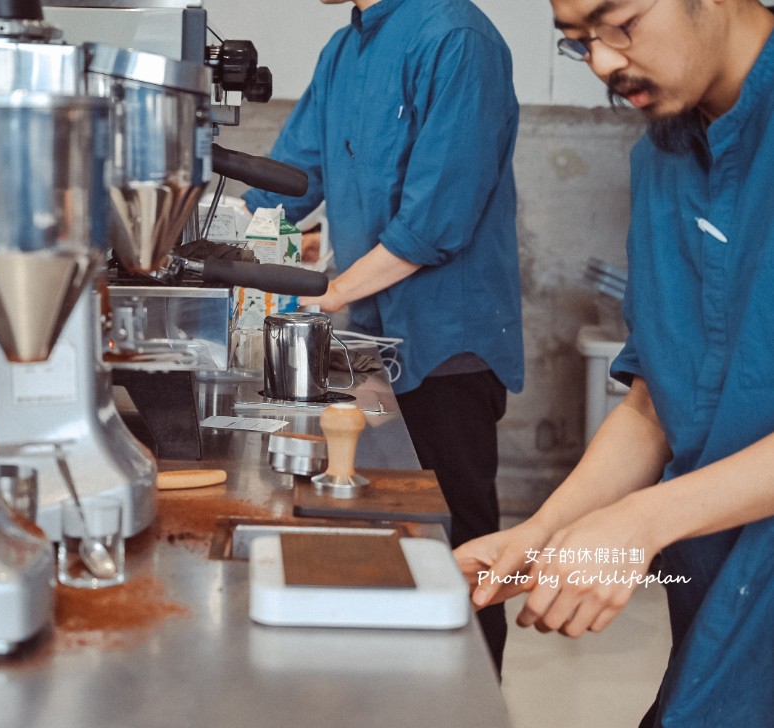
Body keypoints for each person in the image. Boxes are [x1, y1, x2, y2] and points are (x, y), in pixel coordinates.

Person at [454, 0, 774, 724]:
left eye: (620, 23)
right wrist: (543, 533)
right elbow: (657, 402)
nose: (602, 63)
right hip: (725, 617)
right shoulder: (662, 158)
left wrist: (639, 522)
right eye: (578, 43)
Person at [242, 0, 524, 672]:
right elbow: (290, 181)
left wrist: (325, 293)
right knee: (383, 511)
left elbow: (435, 223)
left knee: (457, 541)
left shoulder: (458, 40)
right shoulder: (345, 51)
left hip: (447, 348)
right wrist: (217, 233)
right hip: (367, 345)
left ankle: (473, 703)